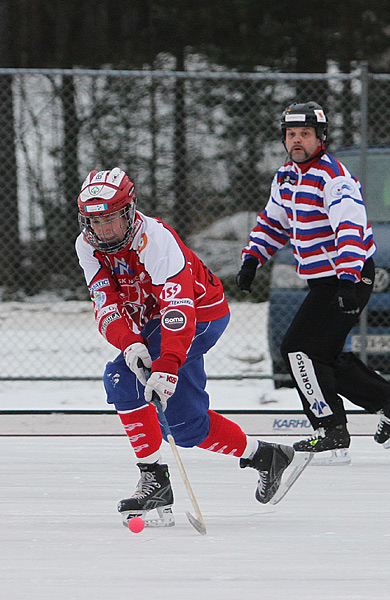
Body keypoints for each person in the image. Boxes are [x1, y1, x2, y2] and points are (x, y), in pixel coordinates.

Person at [75, 167, 312, 528]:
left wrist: (167, 365)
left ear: (129, 211)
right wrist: (129, 343)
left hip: (199, 316)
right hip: (152, 324)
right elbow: (105, 304)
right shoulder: (87, 245)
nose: (103, 231)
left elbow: (177, 307)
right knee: (185, 427)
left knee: (121, 379)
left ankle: (155, 480)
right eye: (95, 222)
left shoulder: (155, 239)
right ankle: (266, 456)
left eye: (111, 220)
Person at [236, 101, 390, 462]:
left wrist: (348, 280)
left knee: (297, 348)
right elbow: (273, 223)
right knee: (322, 354)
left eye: (305, 134)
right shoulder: (286, 177)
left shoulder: (332, 177)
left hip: (346, 278)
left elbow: (350, 229)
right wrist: (252, 259)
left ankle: (331, 433)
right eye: (291, 134)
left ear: (320, 138)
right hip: (324, 281)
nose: (297, 141)